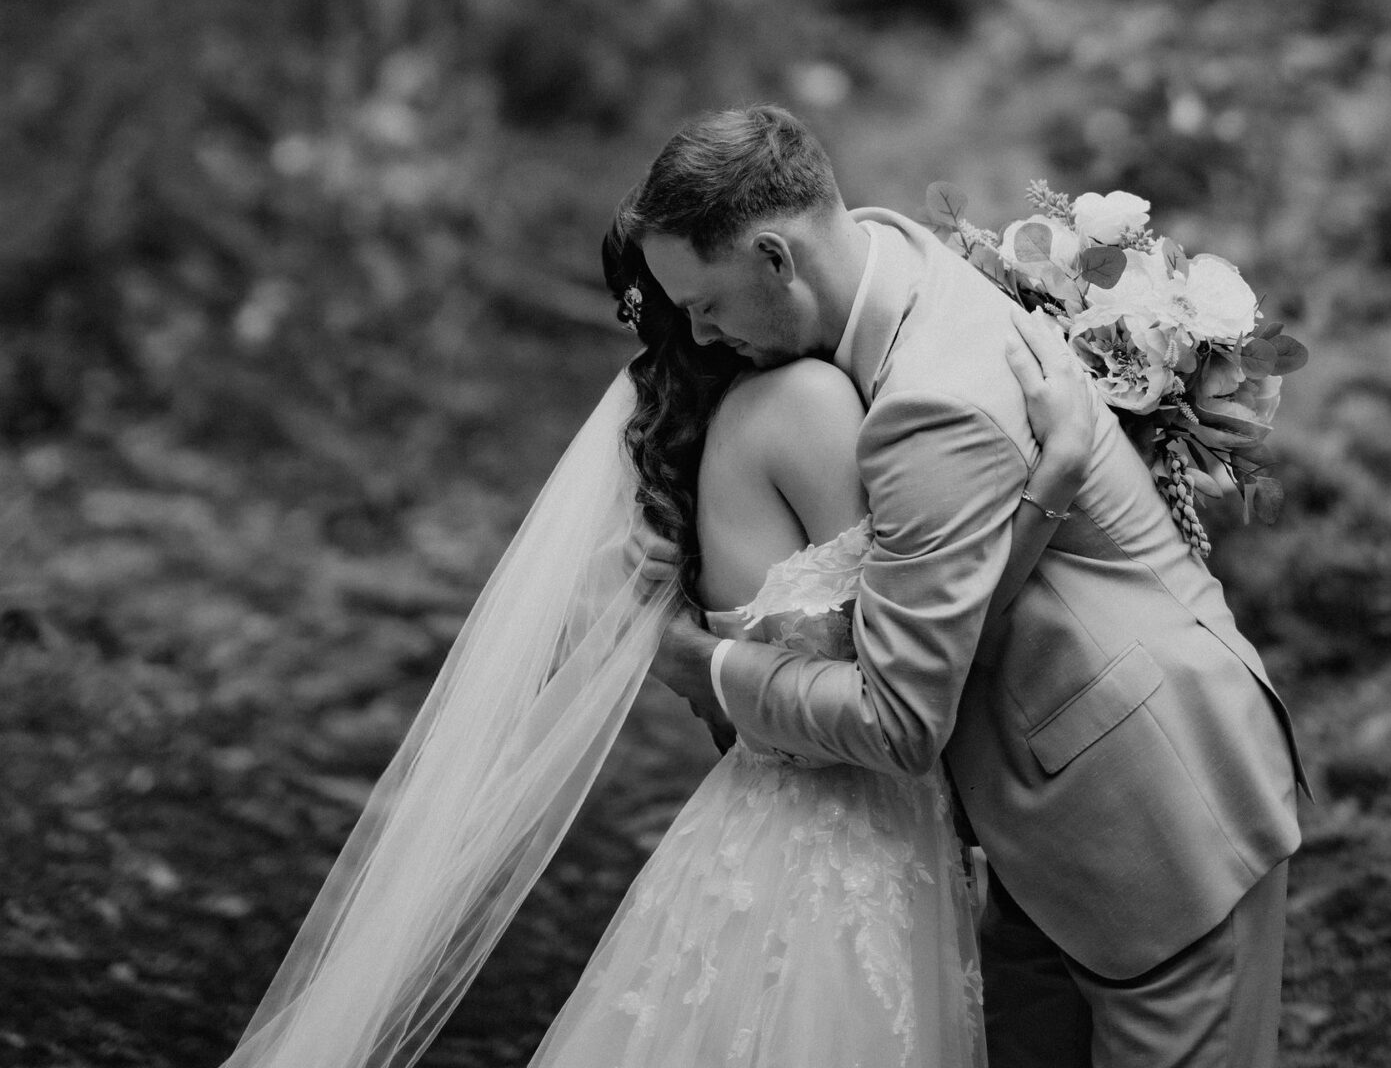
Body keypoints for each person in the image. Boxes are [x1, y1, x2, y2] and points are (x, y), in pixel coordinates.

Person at [216, 125, 1093, 1068]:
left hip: (762, 833)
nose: (709, 325)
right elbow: (929, 641)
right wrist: (1052, 485)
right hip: (851, 845)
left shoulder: (701, 451)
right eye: (696, 307)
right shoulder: (808, 405)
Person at [642, 105, 1307, 1068]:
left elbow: (898, 721)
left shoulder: (931, 402)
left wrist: (703, 665)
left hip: (1161, 817)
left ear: (777, 257)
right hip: (1046, 826)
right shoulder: (894, 252)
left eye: (705, 304)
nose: (701, 335)